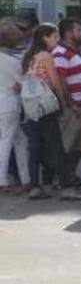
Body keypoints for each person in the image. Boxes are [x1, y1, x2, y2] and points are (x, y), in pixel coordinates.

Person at [20, 23, 75, 199]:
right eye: (54, 36)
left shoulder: (29, 56)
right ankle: (66, 186)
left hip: (30, 105)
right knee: (55, 145)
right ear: (45, 37)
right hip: (45, 104)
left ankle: (35, 186)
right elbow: (54, 81)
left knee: (35, 147)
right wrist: (63, 100)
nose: (57, 40)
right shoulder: (46, 55)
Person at [52, 18, 81, 199]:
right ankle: (65, 184)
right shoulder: (61, 52)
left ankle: (70, 179)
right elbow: (60, 81)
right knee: (68, 146)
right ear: (69, 32)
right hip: (74, 107)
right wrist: (70, 103)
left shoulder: (78, 51)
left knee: (80, 145)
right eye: (78, 29)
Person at [0, 22, 28, 196]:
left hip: (4, 103)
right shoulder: (11, 61)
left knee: (20, 141)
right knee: (8, 141)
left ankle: (25, 179)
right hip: (10, 103)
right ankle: (2, 180)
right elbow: (22, 84)